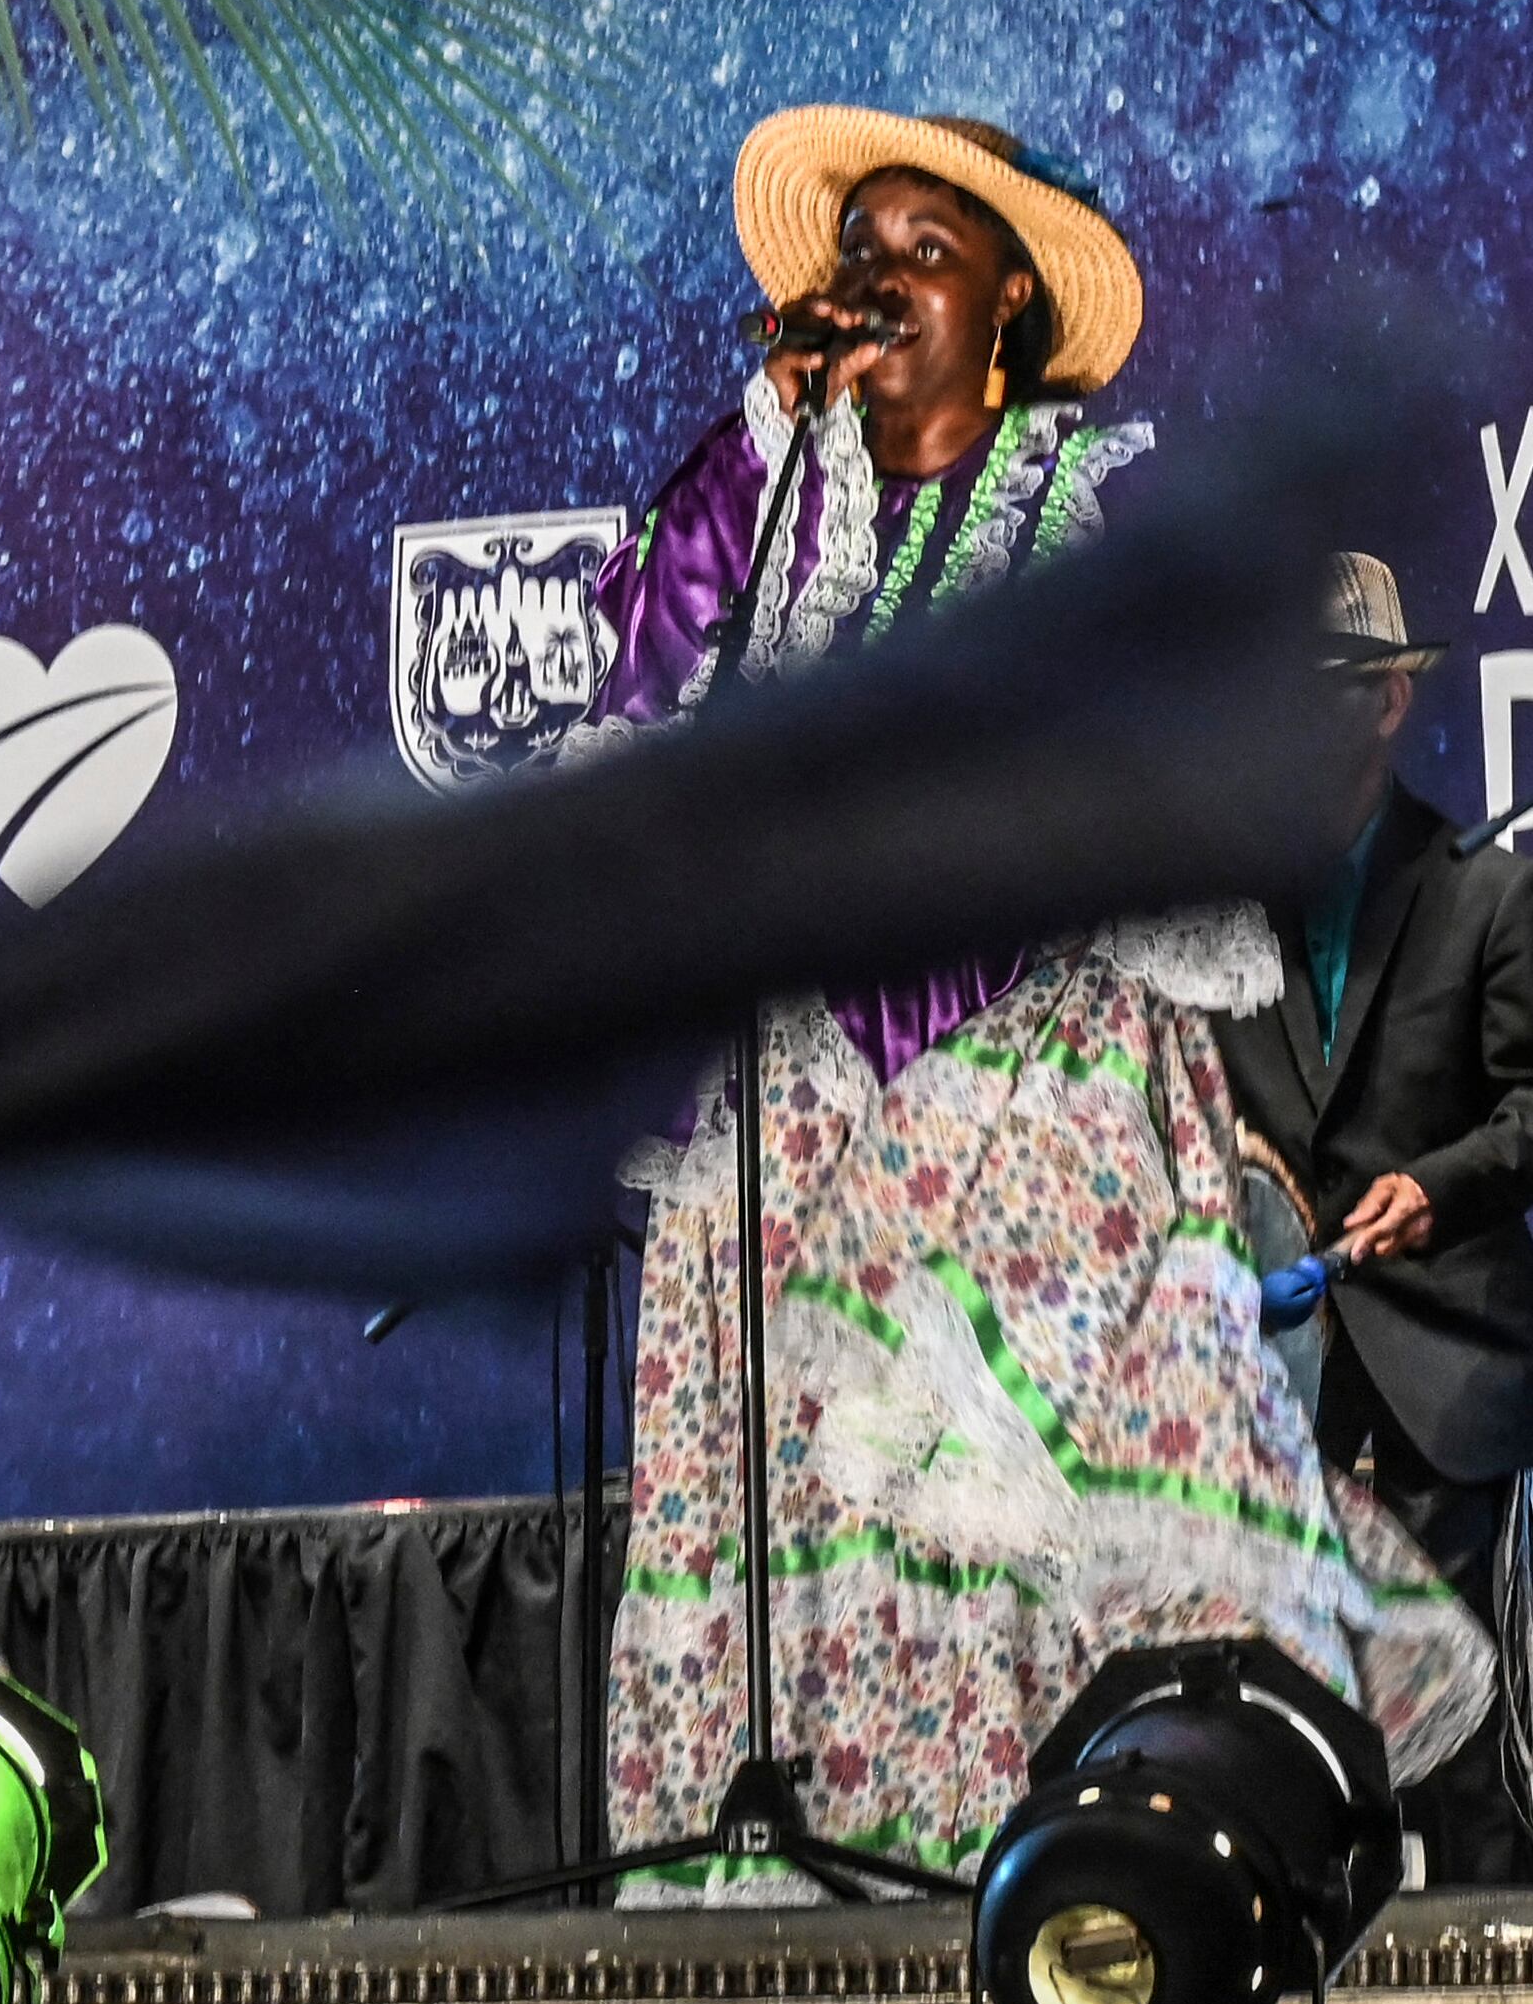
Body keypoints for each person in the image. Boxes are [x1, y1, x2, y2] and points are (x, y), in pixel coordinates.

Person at [582, 107, 1488, 1887]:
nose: (887, 281)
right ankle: (805, 1867)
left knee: (1015, 1518)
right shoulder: (778, 507)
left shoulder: (1090, 513)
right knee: (798, 1497)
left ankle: (1058, 1880)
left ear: (1009, 302)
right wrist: (763, 428)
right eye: (863, 254)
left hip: (1019, 1083)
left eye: (928, 249)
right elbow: (649, 659)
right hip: (793, 1095)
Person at [1220, 556, 1533, 1878]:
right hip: (1276, 1386)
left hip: (1444, 1370)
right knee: (1296, 1738)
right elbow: (1179, 1100)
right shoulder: (1227, 912)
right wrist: (1220, 1145)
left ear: (1392, 702)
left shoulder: (1484, 888)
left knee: (1462, 1749)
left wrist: (1443, 1183)